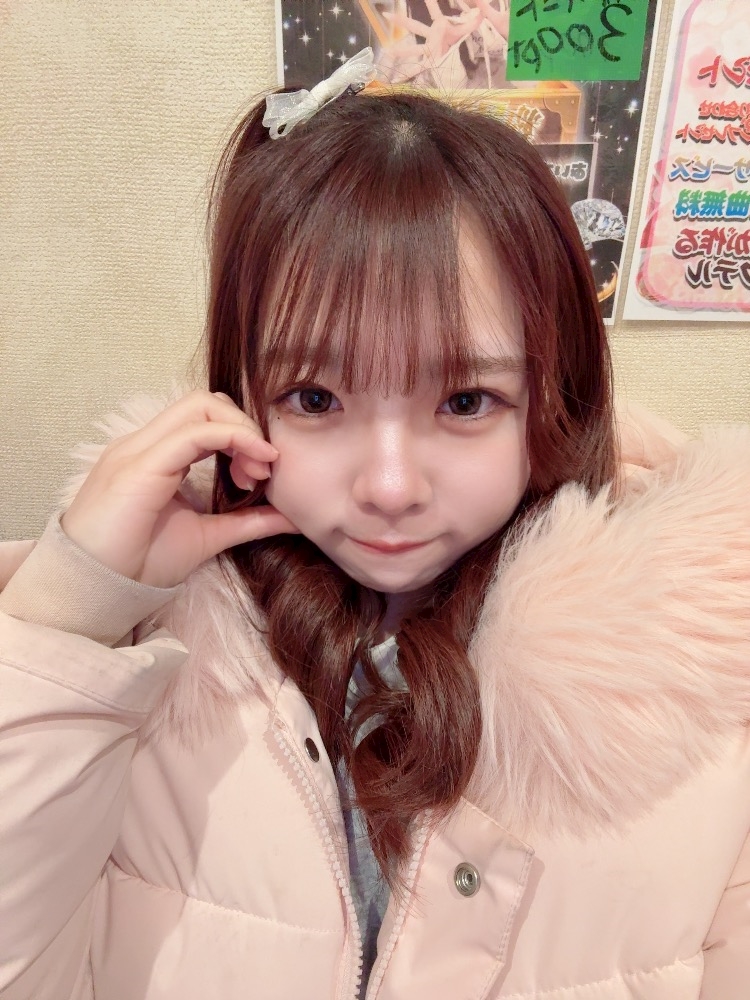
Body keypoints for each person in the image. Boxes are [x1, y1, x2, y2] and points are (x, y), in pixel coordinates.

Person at [1, 50, 749, 1000]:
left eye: (466, 400)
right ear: (241, 395)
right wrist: (72, 612)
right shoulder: (151, 647)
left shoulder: (703, 667)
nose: (390, 488)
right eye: (316, 398)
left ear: (552, 397)